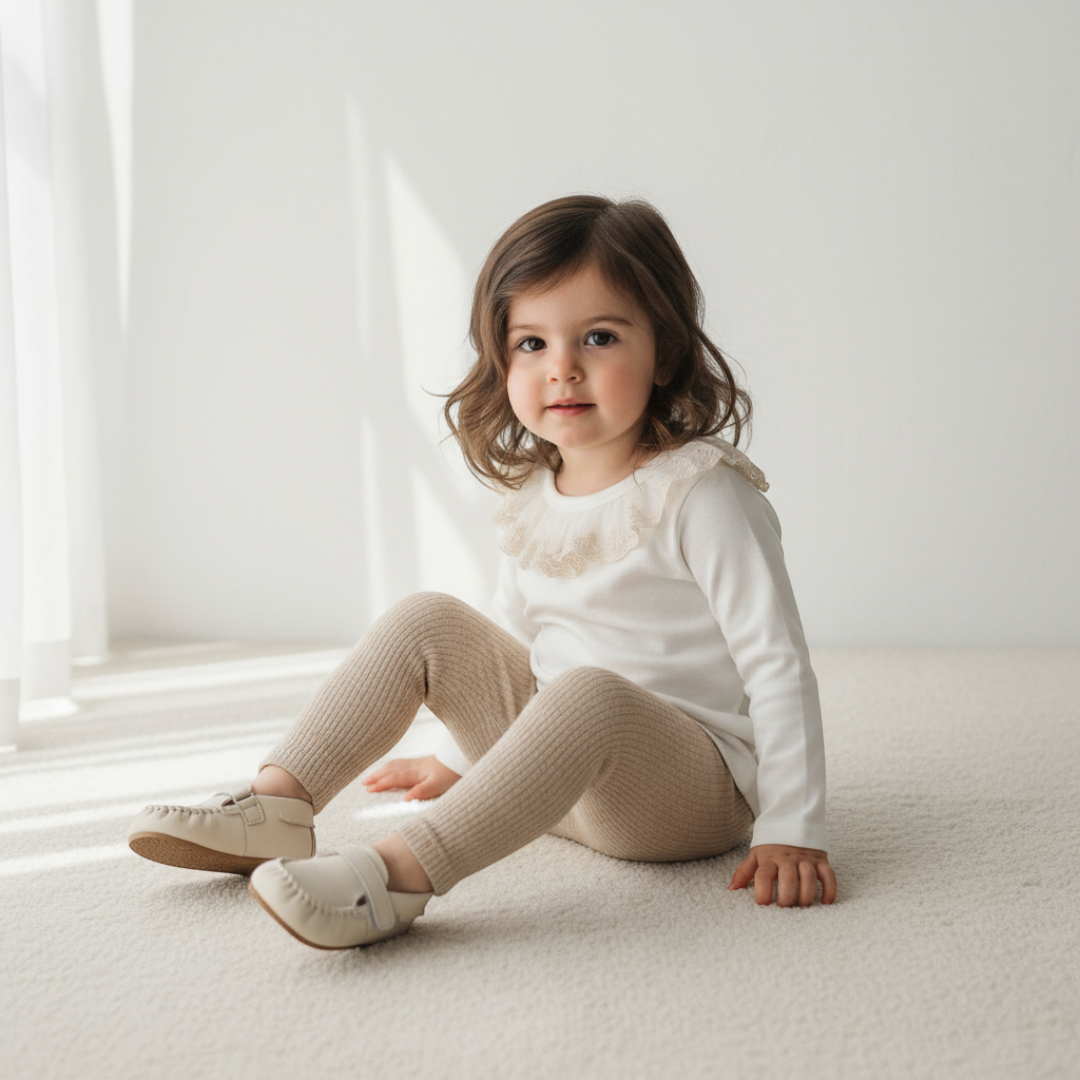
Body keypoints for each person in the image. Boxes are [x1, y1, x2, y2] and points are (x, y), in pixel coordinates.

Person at [128, 194, 837, 951]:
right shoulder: (535, 498)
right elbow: (518, 648)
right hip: (565, 787)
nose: (562, 368)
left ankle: (398, 877)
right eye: (531, 343)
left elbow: (777, 662)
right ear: (502, 361)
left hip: (682, 797)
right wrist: (459, 759)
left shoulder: (702, 494)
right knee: (429, 619)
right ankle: (277, 805)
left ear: (663, 352)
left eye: (598, 337)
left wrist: (792, 824)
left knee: (586, 692)